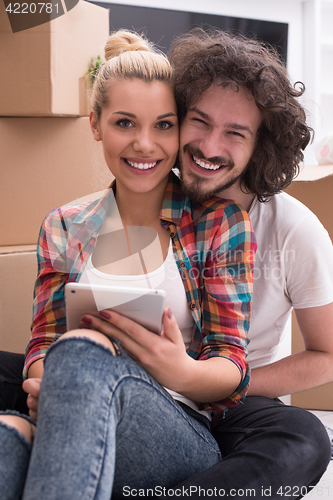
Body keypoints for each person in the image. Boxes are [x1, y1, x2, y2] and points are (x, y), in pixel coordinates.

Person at [0, 30, 256, 499]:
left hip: (176, 427)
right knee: (6, 437)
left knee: (80, 352)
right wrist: (46, 383)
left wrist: (179, 369)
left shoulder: (221, 224)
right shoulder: (64, 226)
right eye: (124, 123)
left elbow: (233, 362)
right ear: (95, 124)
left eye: (163, 125)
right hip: (74, 405)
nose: (144, 144)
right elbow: (41, 345)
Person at [163, 28, 333, 498]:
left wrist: (213, 383)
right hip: (143, 387)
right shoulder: (145, 197)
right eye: (198, 121)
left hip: (234, 404)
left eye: (235, 133)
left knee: (304, 438)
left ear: (260, 145)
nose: (210, 147)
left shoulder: (293, 227)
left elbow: (328, 355)